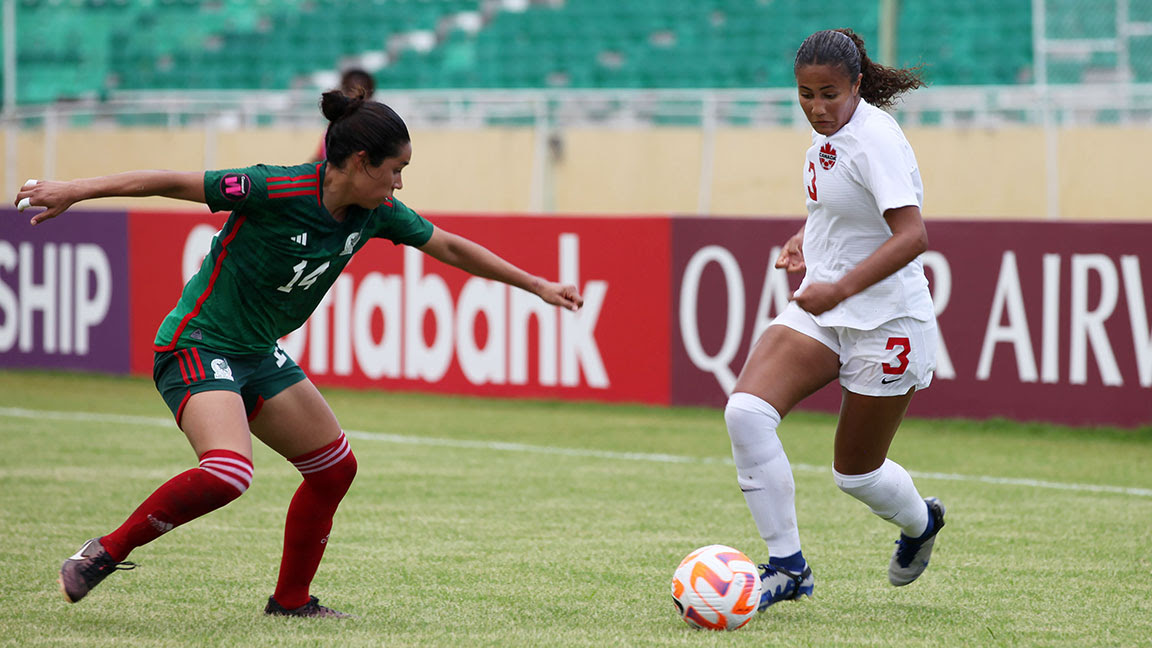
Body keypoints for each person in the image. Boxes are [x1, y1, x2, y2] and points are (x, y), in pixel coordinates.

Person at [16, 90, 583, 618]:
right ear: (362, 162)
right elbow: (168, 182)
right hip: (197, 344)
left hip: (258, 354)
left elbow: (450, 246)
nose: (400, 185)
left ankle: (291, 601)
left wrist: (537, 285)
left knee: (335, 469)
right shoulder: (272, 189)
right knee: (230, 473)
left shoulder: (375, 213)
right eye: (396, 170)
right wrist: (74, 189)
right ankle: (104, 552)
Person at [725, 28, 944, 612]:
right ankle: (788, 568)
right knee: (746, 413)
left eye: (829, 94)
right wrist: (804, 239)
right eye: (805, 95)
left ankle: (922, 522)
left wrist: (841, 285)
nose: (816, 108)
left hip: (888, 321)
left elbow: (913, 235)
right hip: (827, 309)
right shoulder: (826, 139)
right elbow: (837, 205)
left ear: (856, 86)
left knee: (856, 475)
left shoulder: (876, 140)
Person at [312, 68, 376, 162]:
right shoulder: (332, 128)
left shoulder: (376, 128)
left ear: (370, 94)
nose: (354, 96)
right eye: (349, 90)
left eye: (361, 91)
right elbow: (320, 158)